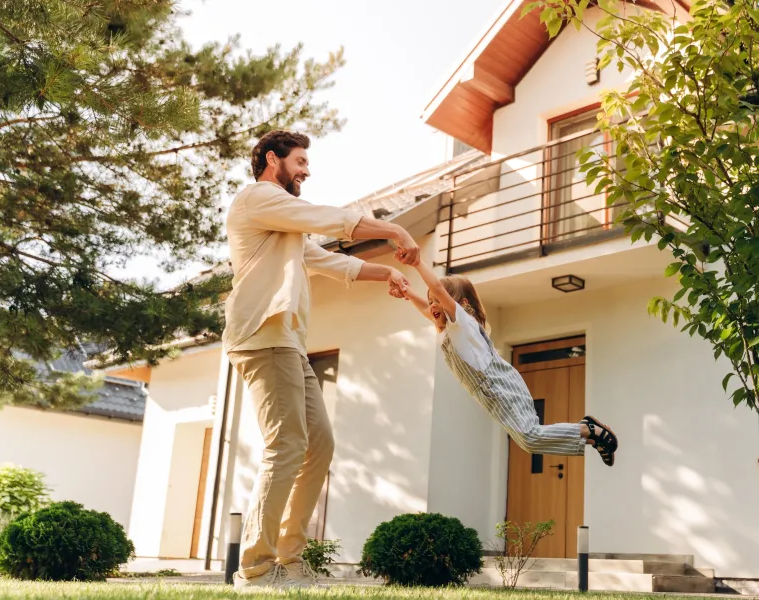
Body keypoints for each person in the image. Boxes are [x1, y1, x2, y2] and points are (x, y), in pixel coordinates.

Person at [223, 130, 418, 589]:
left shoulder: (283, 225)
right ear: (273, 160)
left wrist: (384, 272)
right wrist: (392, 228)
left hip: (287, 341)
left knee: (318, 444)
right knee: (287, 444)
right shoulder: (257, 198)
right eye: (300, 161)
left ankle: (290, 560)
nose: (307, 171)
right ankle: (256, 567)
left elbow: (323, 258)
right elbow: (325, 218)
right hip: (262, 336)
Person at [398, 255, 619, 466]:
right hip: (491, 395)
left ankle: (589, 430)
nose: (433, 305)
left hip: (499, 385)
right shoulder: (451, 331)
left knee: (530, 437)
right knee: (528, 441)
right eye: (431, 301)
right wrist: (407, 292)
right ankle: (593, 439)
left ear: (461, 304)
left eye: (438, 301)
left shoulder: (462, 323)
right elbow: (427, 308)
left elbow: (437, 288)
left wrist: (418, 263)